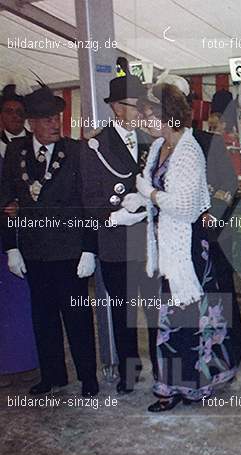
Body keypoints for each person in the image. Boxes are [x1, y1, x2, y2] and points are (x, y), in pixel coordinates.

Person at [116, 83, 241, 411]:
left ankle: (185, 386)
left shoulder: (188, 150)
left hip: (187, 247)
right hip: (167, 243)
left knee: (186, 319)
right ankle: (171, 385)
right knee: (171, 320)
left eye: (148, 112)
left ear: (167, 113)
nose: (143, 118)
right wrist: (138, 202)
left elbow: (187, 206)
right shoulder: (159, 146)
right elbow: (157, 196)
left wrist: (148, 194)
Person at [0, 85, 99, 397]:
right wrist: (11, 247)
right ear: (31, 123)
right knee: (43, 317)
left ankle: (88, 377)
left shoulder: (76, 151)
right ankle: (53, 375)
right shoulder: (16, 152)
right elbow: (6, 197)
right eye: (46, 120)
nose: (55, 124)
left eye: (57, 117)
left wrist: (89, 249)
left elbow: (89, 202)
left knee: (78, 317)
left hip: (70, 250)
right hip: (34, 250)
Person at [80, 73, 158, 394]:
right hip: (115, 241)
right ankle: (129, 367)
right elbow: (89, 199)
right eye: (133, 105)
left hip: (149, 241)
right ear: (115, 107)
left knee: (154, 308)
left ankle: (162, 365)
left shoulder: (150, 143)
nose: (140, 110)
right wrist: (118, 216)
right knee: (123, 310)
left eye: (143, 105)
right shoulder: (95, 147)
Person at [0, 83, 38, 387]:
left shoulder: (32, 144)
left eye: (19, 113)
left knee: (25, 302)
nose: (15, 117)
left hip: (28, 234)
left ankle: (29, 361)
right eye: (9, 112)